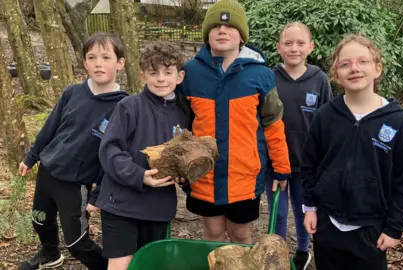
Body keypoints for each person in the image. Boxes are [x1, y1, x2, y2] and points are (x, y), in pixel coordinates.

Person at [302, 34, 403, 270]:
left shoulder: (396, 121)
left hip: (371, 230)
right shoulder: (325, 116)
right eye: (345, 64)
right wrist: (310, 207)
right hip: (328, 225)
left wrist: (394, 227)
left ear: (377, 69)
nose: (354, 68)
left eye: (362, 61)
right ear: (336, 74)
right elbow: (310, 165)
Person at [180, 0, 291, 245]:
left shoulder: (261, 75)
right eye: (215, 26)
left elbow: (273, 124)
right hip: (205, 174)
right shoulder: (189, 73)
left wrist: (281, 167)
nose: (222, 31)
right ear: (206, 34)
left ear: (241, 36)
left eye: (230, 26)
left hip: (244, 175)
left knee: (241, 234)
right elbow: (181, 124)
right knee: (213, 232)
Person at [18, 32, 128, 270]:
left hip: (76, 184)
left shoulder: (124, 106)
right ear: (85, 62)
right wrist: (32, 156)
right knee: (40, 219)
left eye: (106, 57)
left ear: (120, 63)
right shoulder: (72, 93)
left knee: (77, 242)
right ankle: (49, 253)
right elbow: (50, 128)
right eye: (92, 57)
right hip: (48, 171)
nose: (98, 63)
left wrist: (98, 193)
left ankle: (106, 266)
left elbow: (116, 156)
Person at [95, 43, 190, 270]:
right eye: (153, 72)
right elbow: (110, 150)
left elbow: (183, 155)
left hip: (158, 206)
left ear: (180, 76)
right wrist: (139, 175)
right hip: (121, 203)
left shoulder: (183, 114)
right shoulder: (129, 106)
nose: (160, 79)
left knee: (151, 263)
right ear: (142, 75)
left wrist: (183, 175)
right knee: (121, 264)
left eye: (168, 73)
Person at [264, 22, 332, 270]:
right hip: (275, 163)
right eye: (288, 43)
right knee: (278, 214)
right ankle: (278, 256)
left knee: (304, 212)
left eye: (300, 43)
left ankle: (303, 251)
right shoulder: (268, 77)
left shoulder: (320, 79)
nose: (294, 48)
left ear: (311, 47)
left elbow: (327, 122)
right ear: (278, 47)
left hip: (307, 165)